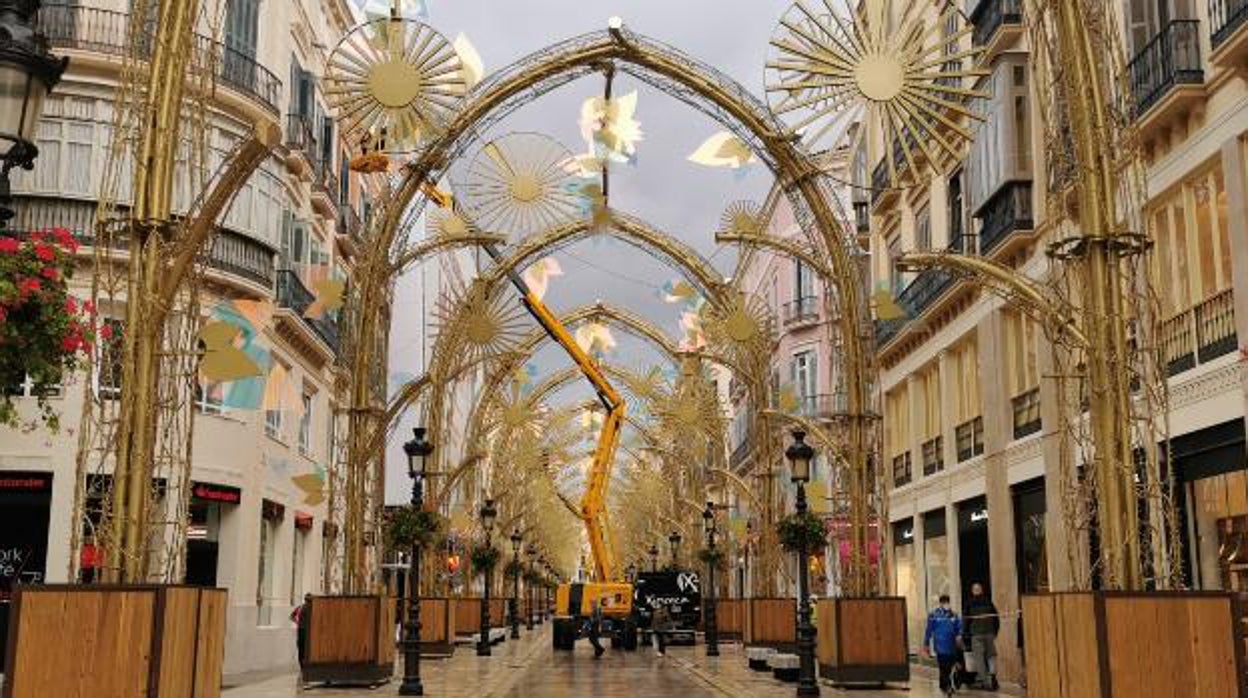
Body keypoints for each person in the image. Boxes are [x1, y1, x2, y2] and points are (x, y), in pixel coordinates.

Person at [922, 594, 962, 696]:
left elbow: (959, 627)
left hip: (952, 646)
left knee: (950, 667)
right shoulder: (934, 615)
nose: (946, 604)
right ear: (940, 603)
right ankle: (947, 686)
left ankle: (944, 684)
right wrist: (926, 644)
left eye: (947, 602)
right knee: (944, 667)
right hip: (940, 646)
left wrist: (959, 635)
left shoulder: (954, 614)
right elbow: (929, 630)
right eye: (944, 602)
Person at [964, 582, 1000, 690]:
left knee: (979, 658)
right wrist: (995, 632)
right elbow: (996, 618)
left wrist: (965, 634)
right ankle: (992, 676)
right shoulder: (988, 602)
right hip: (989, 633)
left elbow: (966, 620)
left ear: (973, 591)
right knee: (991, 656)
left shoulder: (969, 603)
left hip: (976, 635)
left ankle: (985, 682)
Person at [290, 593, 312, 667]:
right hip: (307, 630)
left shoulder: (300, 607)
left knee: (301, 646)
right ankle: (304, 663)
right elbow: (292, 616)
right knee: (305, 647)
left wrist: (297, 622)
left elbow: (291, 616)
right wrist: (298, 622)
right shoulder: (311, 607)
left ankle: (302, 663)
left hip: (301, 629)